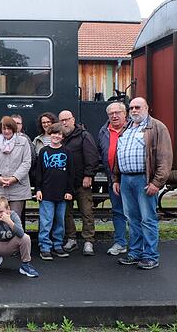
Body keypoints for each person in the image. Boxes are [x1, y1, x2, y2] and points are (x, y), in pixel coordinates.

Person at [114, 97, 172, 270]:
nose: (134, 110)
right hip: (125, 179)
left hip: (144, 180)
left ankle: (150, 256)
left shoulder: (157, 127)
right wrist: (116, 178)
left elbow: (165, 157)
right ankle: (135, 253)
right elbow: (119, 154)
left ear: (147, 108)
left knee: (147, 219)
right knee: (132, 219)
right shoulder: (127, 127)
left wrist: (157, 182)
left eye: (137, 107)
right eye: (131, 107)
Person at [58, 110, 100, 256]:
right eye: (62, 120)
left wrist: (88, 175)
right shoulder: (59, 137)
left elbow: (92, 156)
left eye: (67, 119)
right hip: (65, 183)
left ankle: (88, 241)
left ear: (73, 119)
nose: (64, 122)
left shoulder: (84, 135)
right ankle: (71, 239)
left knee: (87, 211)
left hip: (82, 182)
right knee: (66, 213)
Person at [34, 123, 74, 261]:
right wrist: (38, 189)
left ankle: (57, 245)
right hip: (46, 193)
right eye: (54, 133)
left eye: (59, 134)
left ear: (62, 137)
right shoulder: (43, 151)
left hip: (62, 193)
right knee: (46, 221)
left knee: (60, 221)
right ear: (50, 135)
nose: (56, 136)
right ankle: (45, 246)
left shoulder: (67, 152)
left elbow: (70, 173)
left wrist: (69, 190)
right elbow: (38, 173)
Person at [0, 196, 38, 278]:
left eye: (1, 212)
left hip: (12, 244)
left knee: (26, 238)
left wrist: (9, 222)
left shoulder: (13, 215)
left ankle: (25, 265)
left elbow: (21, 234)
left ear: (8, 209)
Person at [0, 116, 32, 218]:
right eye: (4, 128)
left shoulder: (23, 142)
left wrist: (14, 178)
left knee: (14, 220)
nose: (6, 131)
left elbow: (26, 162)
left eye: (9, 128)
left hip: (18, 189)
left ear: (14, 128)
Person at [98, 102, 129, 256]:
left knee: (138, 213)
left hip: (132, 178)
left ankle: (142, 245)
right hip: (113, 180)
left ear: (125, 114)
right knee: (118, 212)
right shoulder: (103, 131)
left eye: (118, 112)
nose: (114, 116)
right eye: (111, 114)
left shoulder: (134, 128)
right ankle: (120, 243)